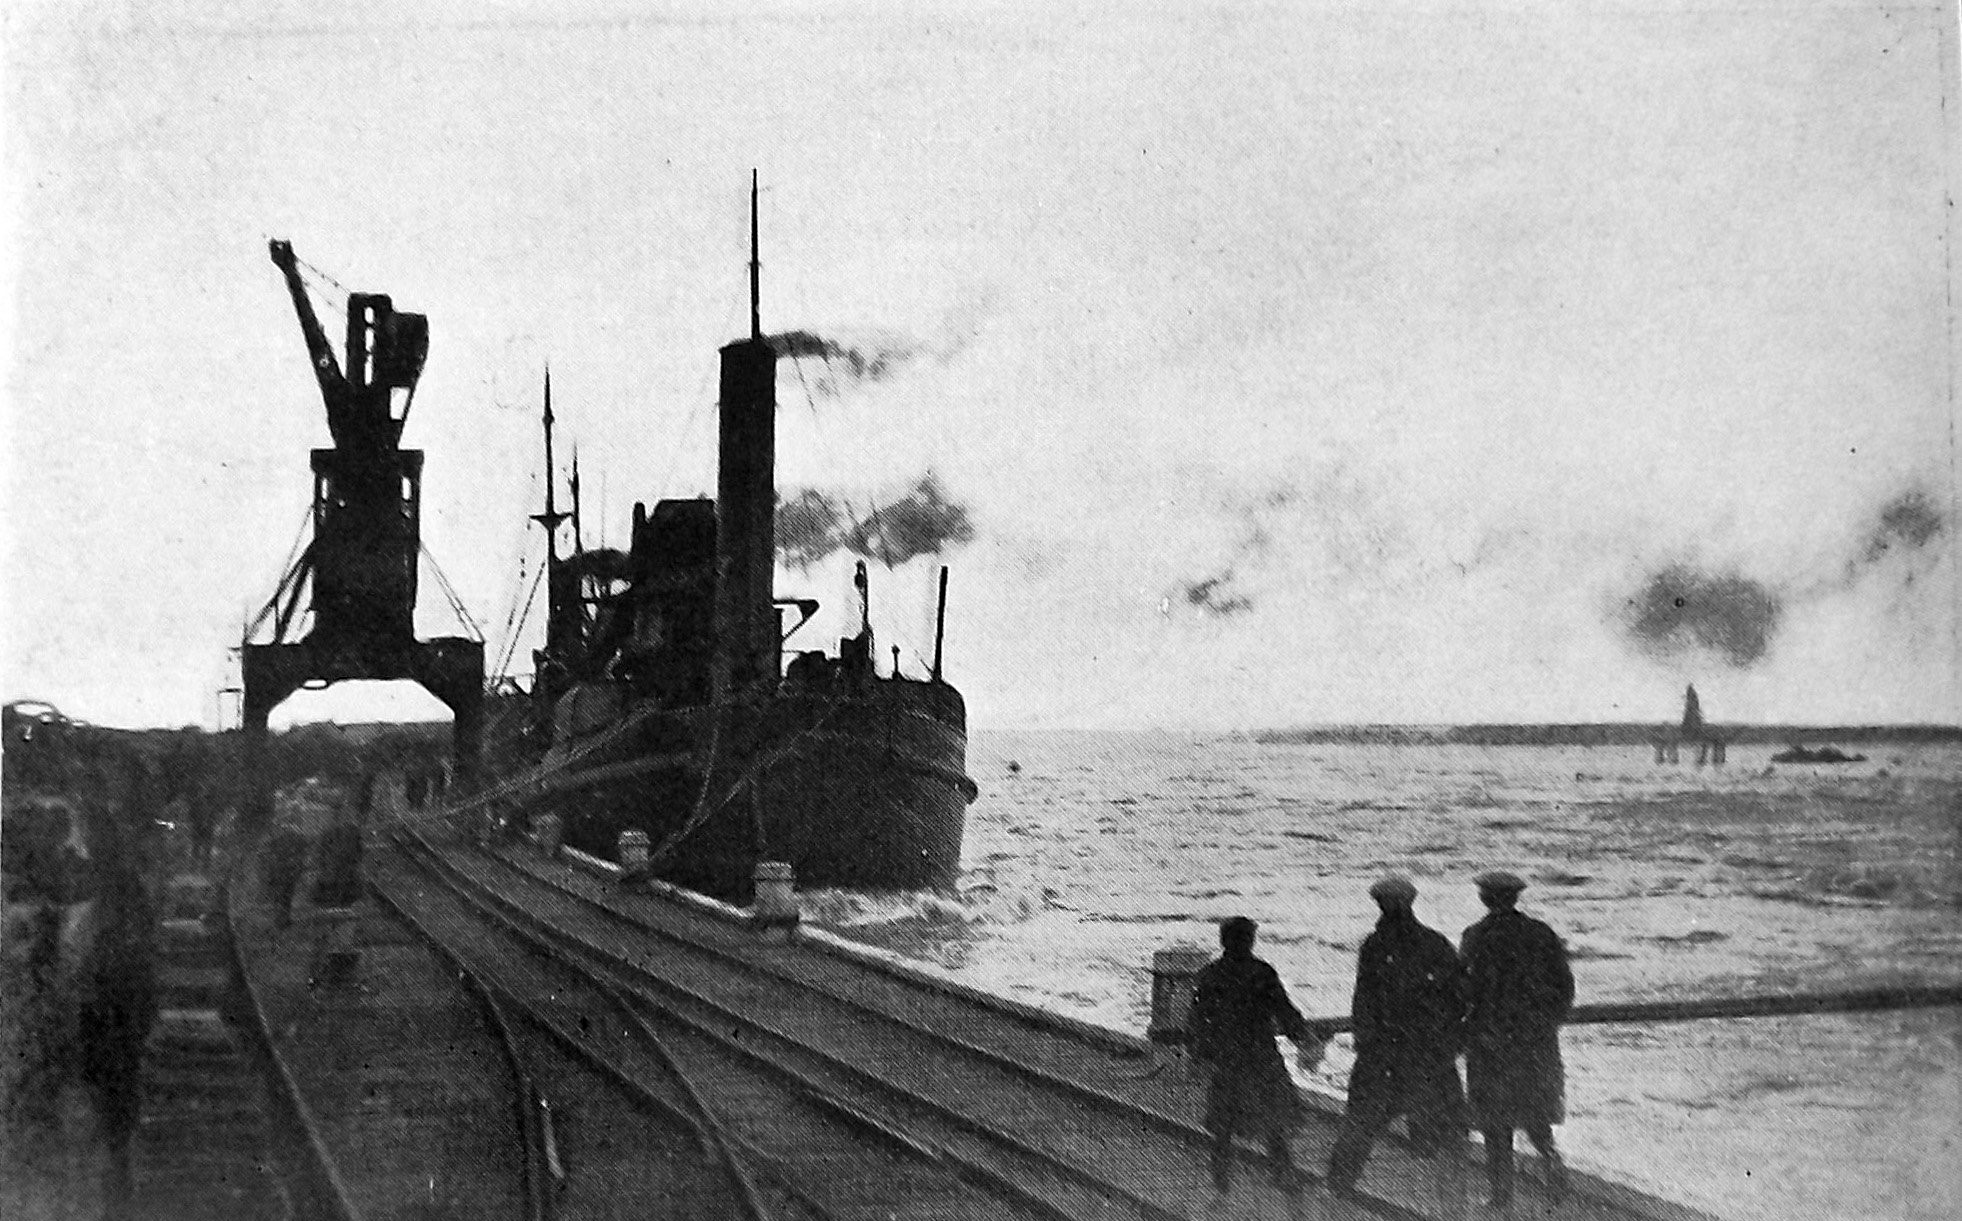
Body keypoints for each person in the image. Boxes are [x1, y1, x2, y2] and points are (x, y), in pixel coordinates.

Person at [1325, 876, 1469, 1206]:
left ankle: (1337, 1193)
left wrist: (1368, 1047)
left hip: (1388, 1057)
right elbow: (1461, 1000)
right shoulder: (1434, 943)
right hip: (1426, 1057)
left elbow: (1363, 1004)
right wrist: (1449, 1042)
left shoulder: (1376, 947)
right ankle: (1453, 1204)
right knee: (1449, 1132)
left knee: (1361, 1125)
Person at [1461, 871, 1574, 1208]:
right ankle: (1551, 1159)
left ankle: (1501, 1196)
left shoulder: (1476, 936)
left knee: (1495, 1125)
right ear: (1515, 898)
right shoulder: (1540, 934)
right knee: (1535, 1113)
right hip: (1533, 1045)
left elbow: (1463, 991)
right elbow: (1564, 989)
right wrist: (1544, 1025)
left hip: (1489, 1044)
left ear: (1484, 898)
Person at [1188, 915, 1319, 1198]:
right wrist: (1305, 1040)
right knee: (1273, 1119)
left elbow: (1198, 1022)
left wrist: (1200, 1056)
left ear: (1224, 941)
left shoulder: (1209, 975)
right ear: (1250, 941)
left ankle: (1221, 1183)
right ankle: (1283, 1174)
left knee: (1223, 1124)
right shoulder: (1262, 973)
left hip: (1227, 1060)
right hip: (1261, 1057)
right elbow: (1285, 1014)